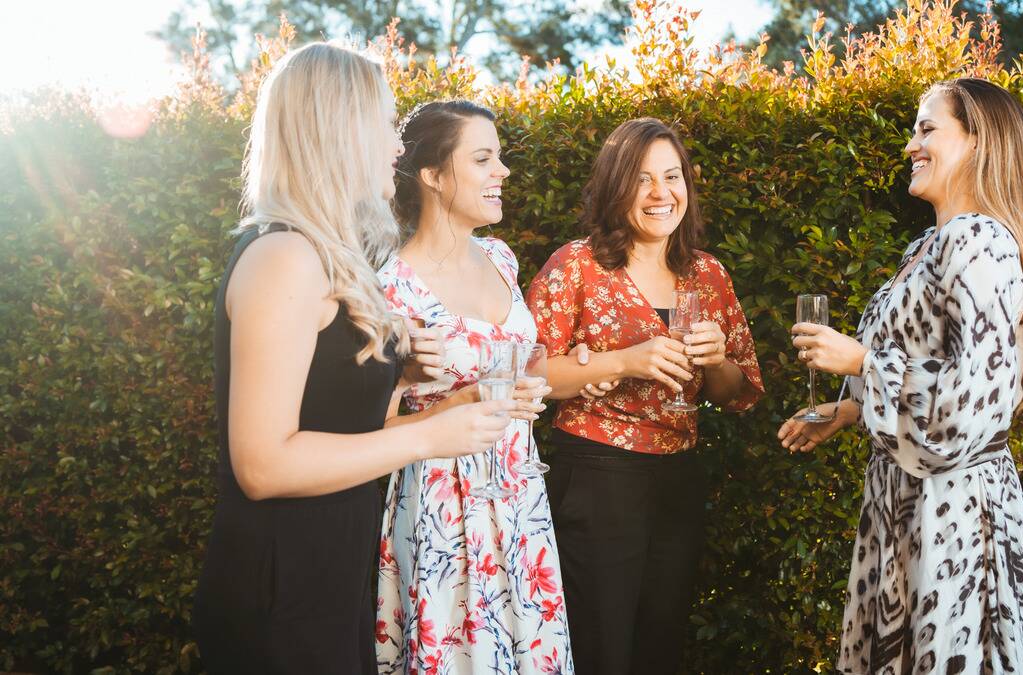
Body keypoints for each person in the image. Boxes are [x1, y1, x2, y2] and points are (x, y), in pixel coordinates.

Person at [778, 77, 1023, 674]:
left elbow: (977, 398)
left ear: (977, 143)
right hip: (906, 504)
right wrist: (853, 409)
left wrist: (864, 362)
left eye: (926, 129)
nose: (911, 145)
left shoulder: (979, 241)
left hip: (954, 519)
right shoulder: (932, 244)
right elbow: (934, 367)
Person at [191, 44, 515, 674]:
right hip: (280, 586)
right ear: (336, 129)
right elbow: (262, 464)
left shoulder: (330, 256)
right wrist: (425, 439)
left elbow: (340, 429)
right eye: (384, 125)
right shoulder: (282, 258)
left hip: (331, 576)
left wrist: (419, 393)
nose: (397, 148)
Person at [526, 117, 765, 675]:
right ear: (615, 187)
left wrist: (717, 360)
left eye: (672, 176)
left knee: (661, 645)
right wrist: (622, 362)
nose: (662, 194)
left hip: (679, 478)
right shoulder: (576, 266)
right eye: (642, 180)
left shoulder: (707, 275)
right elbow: (530, 373)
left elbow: (739, 394)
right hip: (597, 476)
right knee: (600, 647)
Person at [374, 100, 574, 674]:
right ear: (434, 177)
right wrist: (441, 392)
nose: (502, 172)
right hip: (442, 501)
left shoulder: (500, 257)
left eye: (500, 158)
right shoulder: (391, 288)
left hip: (519, 492)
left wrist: (542, 377)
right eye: (483, 158)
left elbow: (522, 367)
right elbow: (370, 427)